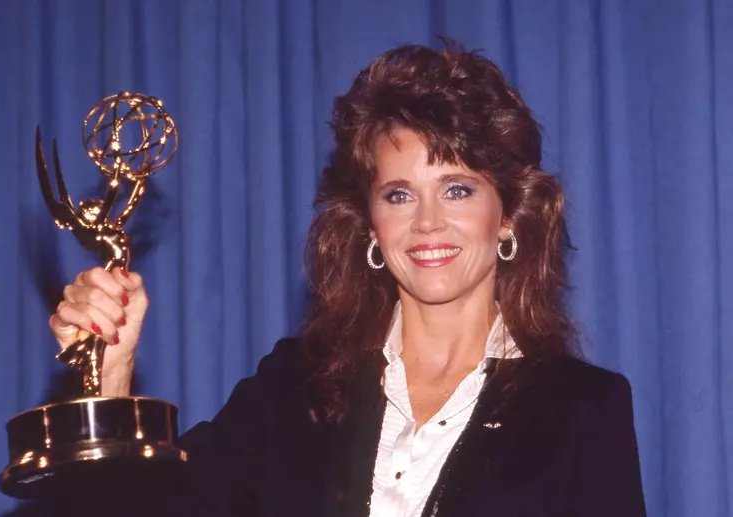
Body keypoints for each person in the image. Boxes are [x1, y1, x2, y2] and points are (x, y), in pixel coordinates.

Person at [51, 43, 647, 516]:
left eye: (458, 190)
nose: (428, 222)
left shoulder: (582, 410)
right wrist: (114, 375)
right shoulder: (292, 387)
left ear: (511, 214)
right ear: (369, 223)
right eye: (399, 194)